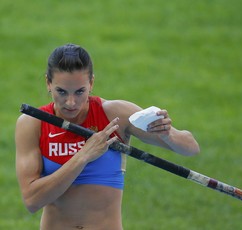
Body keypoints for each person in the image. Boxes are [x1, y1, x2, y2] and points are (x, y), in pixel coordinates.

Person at [15, 43, 200, 230]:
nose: (71, 102)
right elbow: (32, 200)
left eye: (80, 91)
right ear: (48, 83)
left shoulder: (115, 115)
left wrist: (167, 134)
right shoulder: (32, 123)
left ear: (91, 83)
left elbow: (191, 148)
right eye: (61, 91)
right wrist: (83, 156)